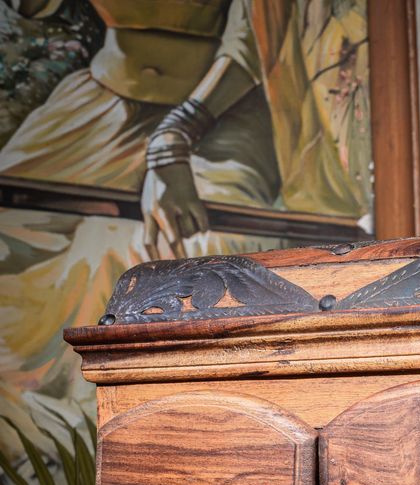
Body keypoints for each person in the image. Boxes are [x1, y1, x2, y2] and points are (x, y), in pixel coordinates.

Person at [0, 0, 370, 408]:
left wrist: (172, 141)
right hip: (104, 96)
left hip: (223, 113)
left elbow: (256, 34)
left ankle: (197, 416)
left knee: (198, 261)